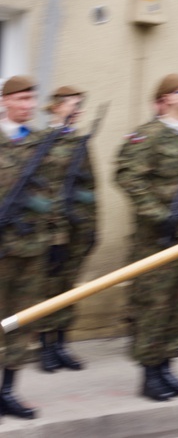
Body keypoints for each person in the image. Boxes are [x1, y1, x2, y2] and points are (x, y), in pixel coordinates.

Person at [115, 73, 178, 402]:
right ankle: (149, 374)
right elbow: (126, 176)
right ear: (167, 98)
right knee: (154, 306)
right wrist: (159, 214)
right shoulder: (148, 135)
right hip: (157, 240)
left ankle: (166, 367)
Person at [38, 86, 98, 373]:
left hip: (77, 226)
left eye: (79, 105)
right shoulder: (41, 141)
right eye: (74, 105)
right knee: (48, 288)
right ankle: (45, 346)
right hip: (52, 231)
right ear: (58, 106)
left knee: (69, 289)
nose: (78, 110)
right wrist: (53, 235)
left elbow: (90, 186)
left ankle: (61, 343)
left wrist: (92, 227)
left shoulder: (78, 142)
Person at [0, 76, 50, 419]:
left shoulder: (41, 142)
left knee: (20, 321)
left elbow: (53, 191)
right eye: (20, 99)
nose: (27, 105)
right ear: (5, 102)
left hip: (31, 246)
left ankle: (8, 391)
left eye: (31, 99)